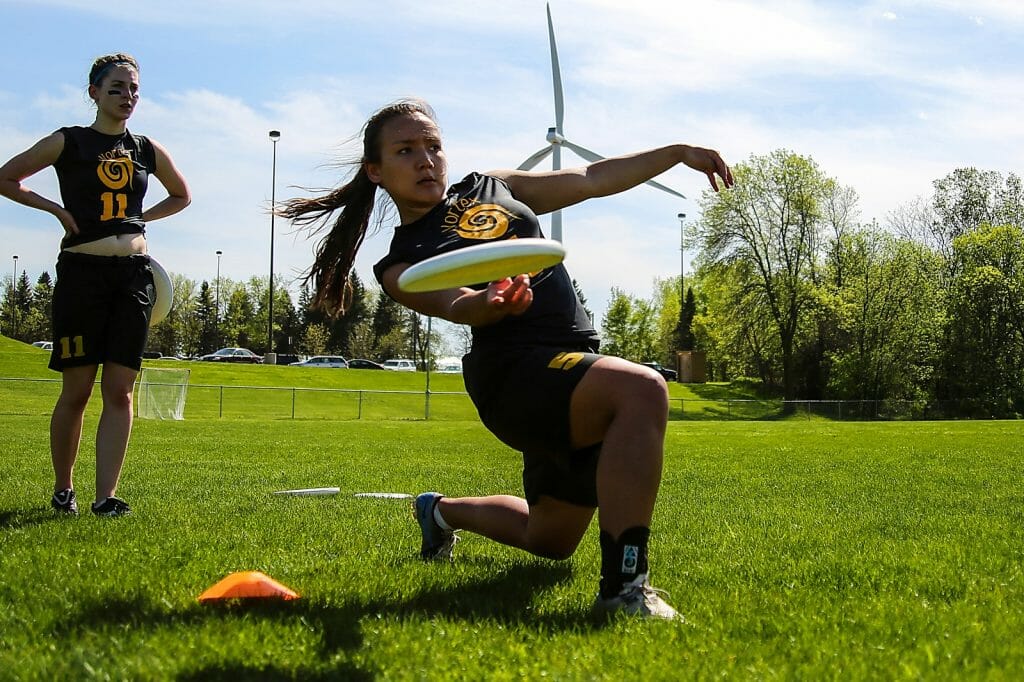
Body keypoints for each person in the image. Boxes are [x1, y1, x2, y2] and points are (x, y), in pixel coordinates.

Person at [280, 99, 732, 619]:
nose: (425, 160)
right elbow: (453, 303)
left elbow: (588, 176)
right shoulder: (399, 264)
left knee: (550, 540)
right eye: (406, 151)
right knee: (642, 388)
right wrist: (487, 303)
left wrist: (676, 153)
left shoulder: (490, 186)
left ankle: (439, 512)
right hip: (516, 376)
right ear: (376, 172)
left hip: (576, 365)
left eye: (433, 146)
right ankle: (625, 589)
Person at [0, 53, 191, 517]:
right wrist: (57, 212)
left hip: (133, 279)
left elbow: (182, 195)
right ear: (94, 93)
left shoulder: (146, 147)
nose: (127, 97)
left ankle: (105, 497)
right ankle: (64, 489)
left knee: (120, 391)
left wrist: (143, 220)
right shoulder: (69, 141)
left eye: (134, 90)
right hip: (82, 276)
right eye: (117, 89)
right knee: (78, 391)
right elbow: (7, 178)